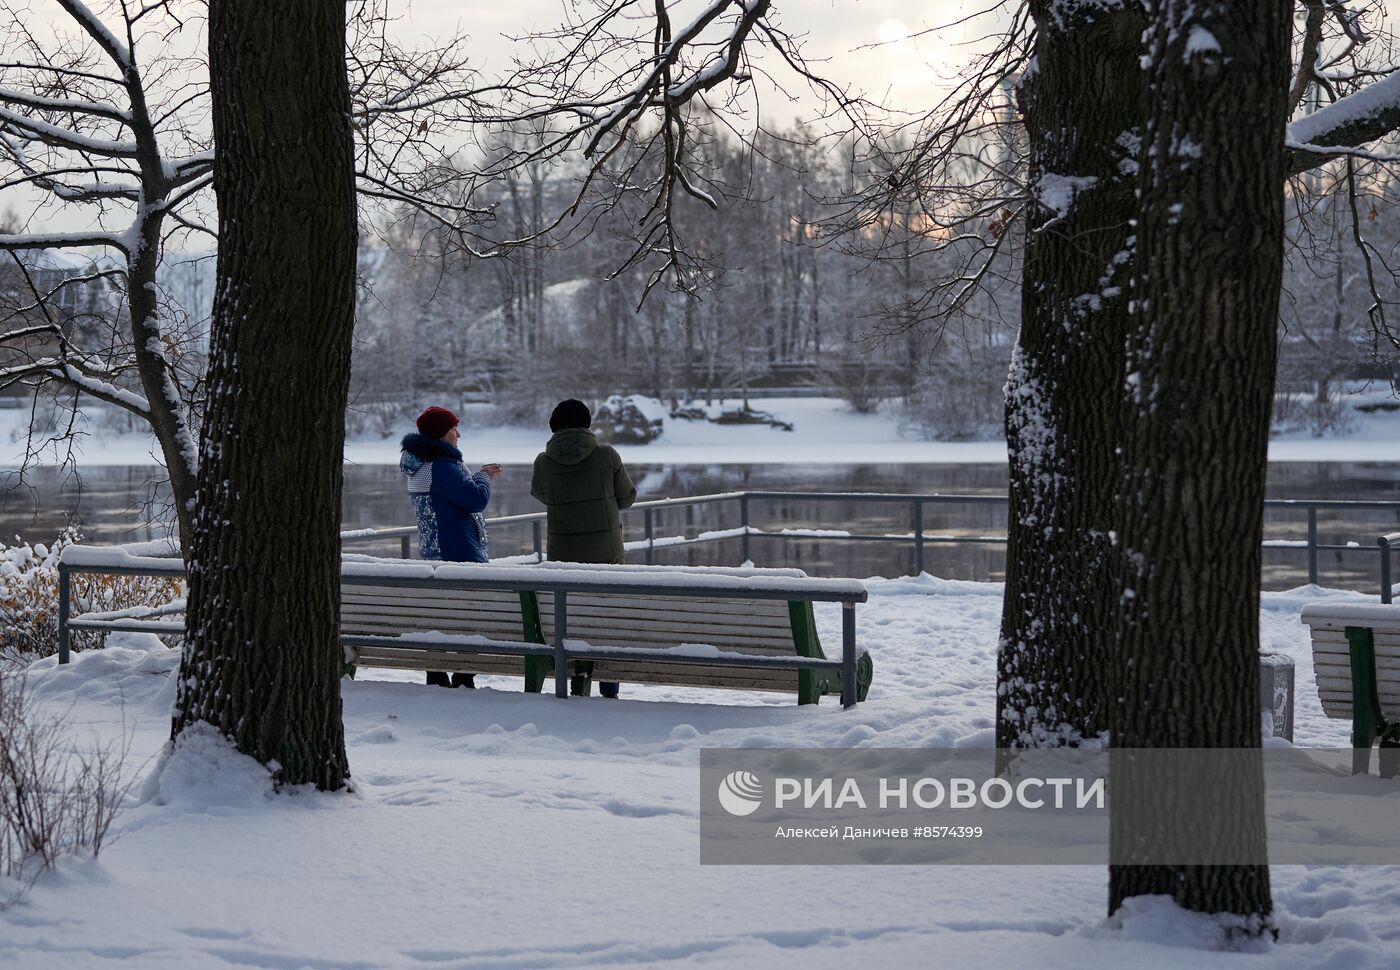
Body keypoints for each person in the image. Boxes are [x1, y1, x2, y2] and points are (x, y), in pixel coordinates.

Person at [531, 398, 638, 698]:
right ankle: (609, 687)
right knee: (607, 618)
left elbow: (540, 493)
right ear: (587, 424)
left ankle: (578, 677)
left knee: (570, 618)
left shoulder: (543, 461)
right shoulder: (606, 455)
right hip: (607, 556)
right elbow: (627, 497)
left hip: (563, 557)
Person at [400, 405, 501, 688]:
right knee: (470, 617)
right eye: (455, 428)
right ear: (445, 433)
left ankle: (438, 674)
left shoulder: (421, 465)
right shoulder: (441, 467)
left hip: (436, 553)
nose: (459, 434)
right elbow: (475, 500)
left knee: (442, 615)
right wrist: (483, 476)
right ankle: (462, 677)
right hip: (458, 554)